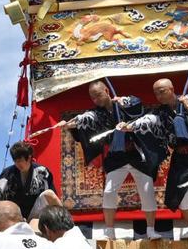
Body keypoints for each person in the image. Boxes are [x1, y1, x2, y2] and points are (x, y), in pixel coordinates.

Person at [122, 78, 188, 239]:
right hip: (181, 156)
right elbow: (148, 121)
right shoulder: (161, 113)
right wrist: (130, 127)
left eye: (162, 91)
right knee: (182, 194)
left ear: (171, 89)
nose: (159, 96)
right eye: (156, 93)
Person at [60, 80, 163, 239]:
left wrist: (124, 103)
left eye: (98, 95)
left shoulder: (123, 102)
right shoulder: (97, 113)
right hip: (117, 156)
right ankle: (109, 231)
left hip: (136, 154)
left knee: (147, 191)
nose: (96, 100)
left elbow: (137, 105)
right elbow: (84, 119)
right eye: (93, 97)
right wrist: (68, 124)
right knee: (109, 192)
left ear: (107, 91)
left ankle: (150, 230)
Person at [0, 142, 61, 227]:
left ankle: (64, 222)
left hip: (37, 212)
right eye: (15, 161)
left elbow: (49, 195)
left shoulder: (42, 172)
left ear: (29, 158)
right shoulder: (9, 173)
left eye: (20, 160)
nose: (18, 164)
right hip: (16, 215)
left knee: (49, 194)